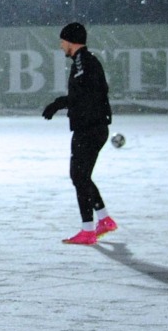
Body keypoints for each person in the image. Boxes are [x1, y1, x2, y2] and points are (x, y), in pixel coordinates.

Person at [42, 22, 116, 245]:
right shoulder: (84, 61)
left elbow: (86, 94)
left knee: (79, 176)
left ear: (71, 42)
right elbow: (92, 92)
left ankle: (88, 230)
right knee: (81, 176)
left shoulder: (84, 61)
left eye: (63, 41)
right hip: (93, 126)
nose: (61, 45)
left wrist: (59, 103)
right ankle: (104, 219)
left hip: (89, 128)